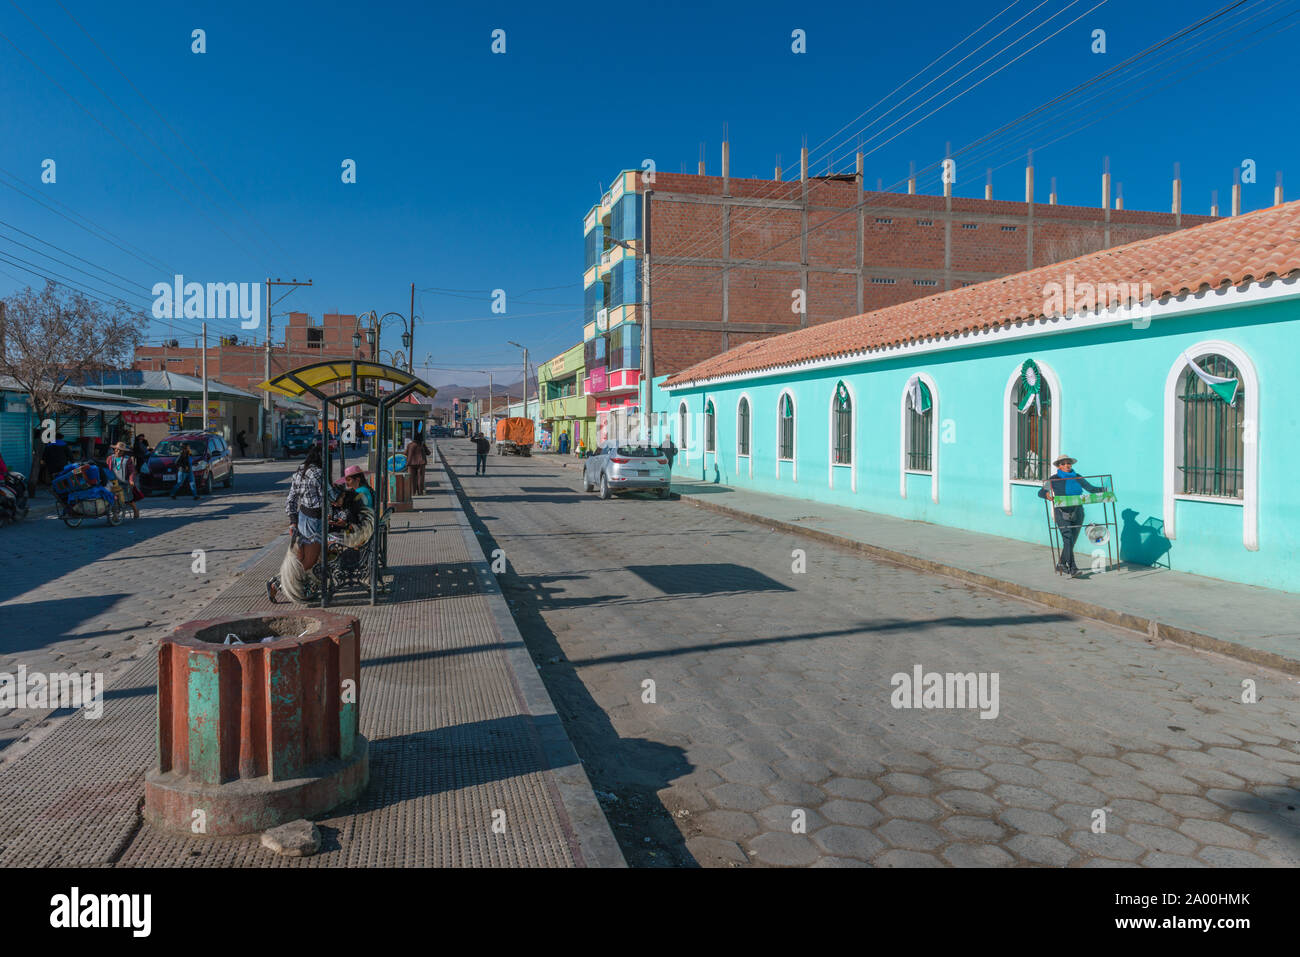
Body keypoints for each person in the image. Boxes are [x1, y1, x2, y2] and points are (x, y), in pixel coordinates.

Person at [268, 446, 330, 603]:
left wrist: (293, 521)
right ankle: (277, 583)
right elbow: (328, 495)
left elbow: (291, 500)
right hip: (314, 521)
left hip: (303, 518)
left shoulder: (298, 473)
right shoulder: (318, 473)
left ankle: (299, 585)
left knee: (304, 559)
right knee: (309, 561)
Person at [1039, 454, 1105, 578]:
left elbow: (1091, 489)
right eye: (1063, 463)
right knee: (1067, 539)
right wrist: (1047, 495)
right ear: (1059, 466)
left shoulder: (1077, 477)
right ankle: (1073, 568)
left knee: (1071, 541)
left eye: (1068, 463)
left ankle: (1061, 564)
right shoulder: (1053, 479)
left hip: (1077, 512)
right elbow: (1041, 492)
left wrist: (1105, 489)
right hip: (1061, 512)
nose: (1066, 465)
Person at [108, 441, 142, 519]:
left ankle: (135, 510)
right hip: (114, 482)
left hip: (124, 482)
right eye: (117, 449)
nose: (118, 451)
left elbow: (132, 471)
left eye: (121, 450)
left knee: (128, 499)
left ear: (124, 451)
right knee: (113, 498)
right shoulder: (110, 458)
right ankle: (115, 515)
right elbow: (107, 470)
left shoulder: (128, 459)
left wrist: (131, 480)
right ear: (115, 449)